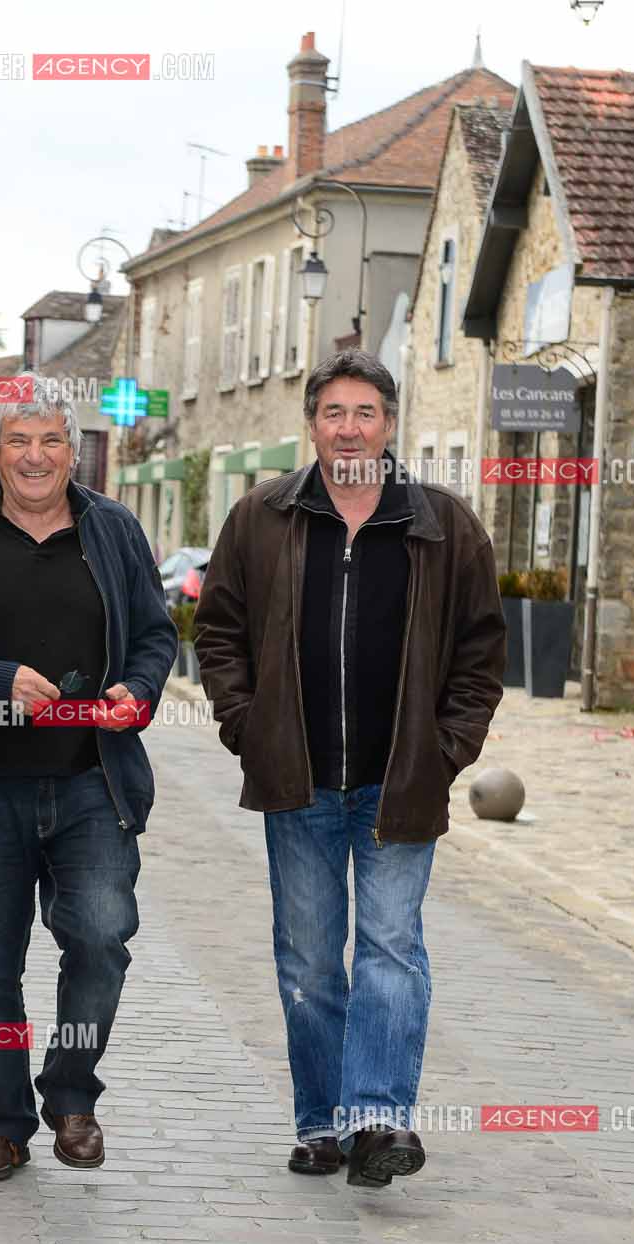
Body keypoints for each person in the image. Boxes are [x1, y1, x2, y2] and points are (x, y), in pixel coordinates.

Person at [193, 349, 505, 1189]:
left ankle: (376, 1119)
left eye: (366, 412)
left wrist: (447, 751)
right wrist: (247, 727)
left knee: (390, 949)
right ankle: (320, 1122)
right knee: (308, 963)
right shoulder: (262, 517)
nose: (350, 428)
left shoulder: (444, 525)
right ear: (312, 425)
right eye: (334, 412)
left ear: (390, 424)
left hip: (400, 783)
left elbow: (480, 651)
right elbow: (217, 631)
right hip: (296, 783)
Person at [0, 395, 177, 1181]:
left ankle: (72, 1095)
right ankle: (3, 1127)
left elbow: (155, 635)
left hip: (92, 784)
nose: (36, 455)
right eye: (19, 440)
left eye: (52, 440)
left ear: (73, 452)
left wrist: (140, 689)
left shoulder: (113, 529)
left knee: (102, 938)